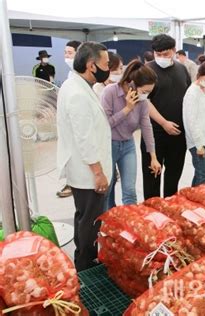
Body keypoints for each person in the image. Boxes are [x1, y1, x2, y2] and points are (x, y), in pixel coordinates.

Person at [56, 42, 112, 271]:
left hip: (87, 169)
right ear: (92, 65)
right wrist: (98, 173)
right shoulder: (77, 93)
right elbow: (85, 139)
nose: (108, 68)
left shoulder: (79, 86)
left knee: (85, 217)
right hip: (87, 171)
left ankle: (85, 258)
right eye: (106, 64)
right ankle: (85, 266)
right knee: (90, 221)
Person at [101, 60, 161, 210]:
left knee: (130, 190)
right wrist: (127, 109)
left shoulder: (142, 102)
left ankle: (131, 224)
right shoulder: (110, 92)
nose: (146, 96)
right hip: (108, 145)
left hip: (128, 145)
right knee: (108, 189)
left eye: (149, 93)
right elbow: (104, 125)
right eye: (145, 92)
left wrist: (153, 156)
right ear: (132, 84)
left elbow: (147, 127)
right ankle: (109, 221)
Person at [143, 34, 191, 198]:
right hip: (154, 133)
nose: (162, 58)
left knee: (174, 175)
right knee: (152, 177)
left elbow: (188, 97)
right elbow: (144, 101)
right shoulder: (146, 70)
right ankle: (152, 213)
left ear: (174, 51)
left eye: (166, 54)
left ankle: (170, 209)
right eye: (158, 54)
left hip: (178, 133)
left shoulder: (181, 69)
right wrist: (164, 123)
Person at [57, 40, 82, 199]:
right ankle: (72, 182)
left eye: (70, 53)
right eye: (65, 52)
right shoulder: (70, 75)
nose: (66, 56)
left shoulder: (85, 76)